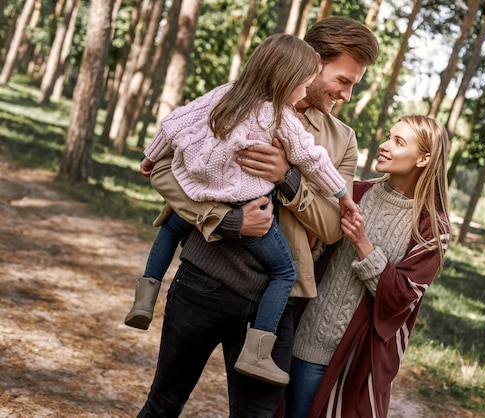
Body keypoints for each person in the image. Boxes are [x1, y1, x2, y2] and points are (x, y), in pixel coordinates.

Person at [136, 17, 379, 417]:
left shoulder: (341, 140)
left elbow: (336, 226)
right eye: (344, 80)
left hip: (275, 299)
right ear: (314, 63)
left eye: (354, 84)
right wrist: (224, 219)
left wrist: (287, 176)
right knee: (164, 403)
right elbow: (164, 167)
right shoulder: (238, 99)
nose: (348, 95)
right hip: (205, 278)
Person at [284, 115, 451, 418]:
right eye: (389, 136)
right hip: (306, 342)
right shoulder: (355, 193)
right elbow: (314, 255)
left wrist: (363, 243)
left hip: (357, 361)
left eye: (399, 142)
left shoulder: (432, 228)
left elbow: (401, 297)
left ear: (424, 158)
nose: (384, 146)